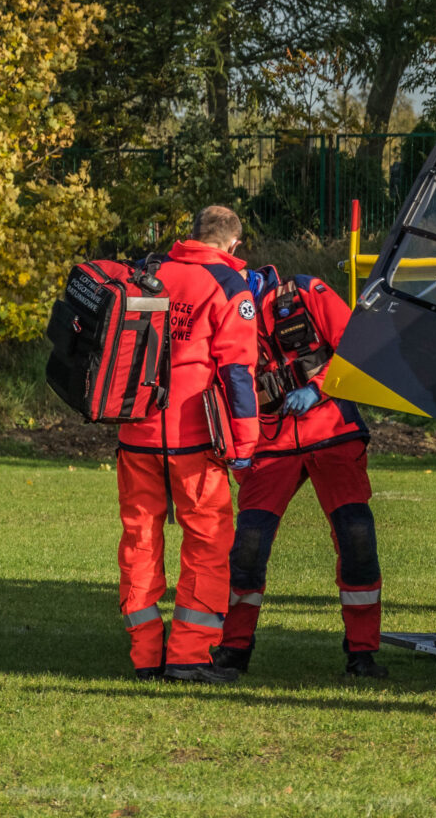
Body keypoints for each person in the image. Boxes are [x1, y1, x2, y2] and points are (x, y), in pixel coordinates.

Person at [216, 267, 389, 679]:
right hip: (269, 443)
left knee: (357, 539)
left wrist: (317, 387)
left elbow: (357, 345)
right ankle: (234, 649)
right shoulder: (224, 310)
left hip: (332, 432)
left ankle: (362, 654)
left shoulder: (306, 292)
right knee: (248, 548)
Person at [115, 205, 260, 683]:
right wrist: (245, 445)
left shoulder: (151, 271)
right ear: (234, 244)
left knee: (140, 541)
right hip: (194, 439)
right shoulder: (229, 286)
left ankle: (144, 654)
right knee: (207, 544)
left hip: (136, 431)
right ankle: (189, 655)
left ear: (192, 234)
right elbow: (237, 373)